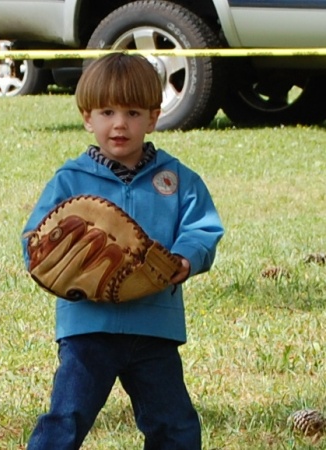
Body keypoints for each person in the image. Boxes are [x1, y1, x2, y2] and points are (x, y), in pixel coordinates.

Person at [21, 52, 224, 450]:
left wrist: (185, 258)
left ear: (153, 116)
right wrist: (41, 256)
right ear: (87, 117)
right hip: (88, 328)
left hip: (153, 327)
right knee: (66, 418)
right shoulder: (70, 180)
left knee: (174, 426)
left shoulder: (176, 178)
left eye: (133, 112)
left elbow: (202, 227)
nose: (119, 124)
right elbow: (36, 238)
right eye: (107, 111)